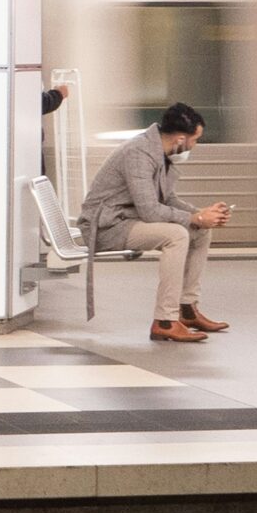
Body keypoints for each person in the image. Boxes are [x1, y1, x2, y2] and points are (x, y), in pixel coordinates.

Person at [80, 101, 231, 344]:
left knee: (200, 232)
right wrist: (195, 218)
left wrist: (200, 215)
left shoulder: (158, 151)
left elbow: (168, 199)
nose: (195, 145)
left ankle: (187, 309)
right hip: (106, 227)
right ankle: (165, 321)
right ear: (181, 139)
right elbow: (150, 210)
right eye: (195, 139)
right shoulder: (139, 153)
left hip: (126, 220)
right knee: (177, 235)